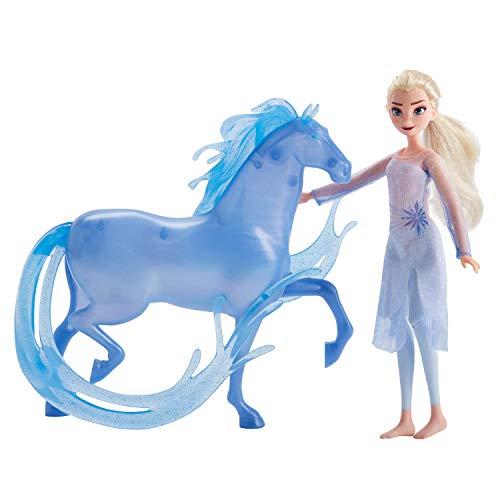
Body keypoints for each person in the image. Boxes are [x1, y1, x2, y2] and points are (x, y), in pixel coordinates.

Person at [300, 70, 482, 439]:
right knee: (399, 324)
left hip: (424, 246)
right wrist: (314, 195)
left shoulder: (430, 159)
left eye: (417, 110)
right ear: (390, 111)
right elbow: (354, 181)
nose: (407, 118)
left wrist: (463, 249)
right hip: (396, 249)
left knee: (421, 322)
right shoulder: (395, 159)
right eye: (398, 111)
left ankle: (437, 413)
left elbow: (451, 206)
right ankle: (406, 417)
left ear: (431, 112)